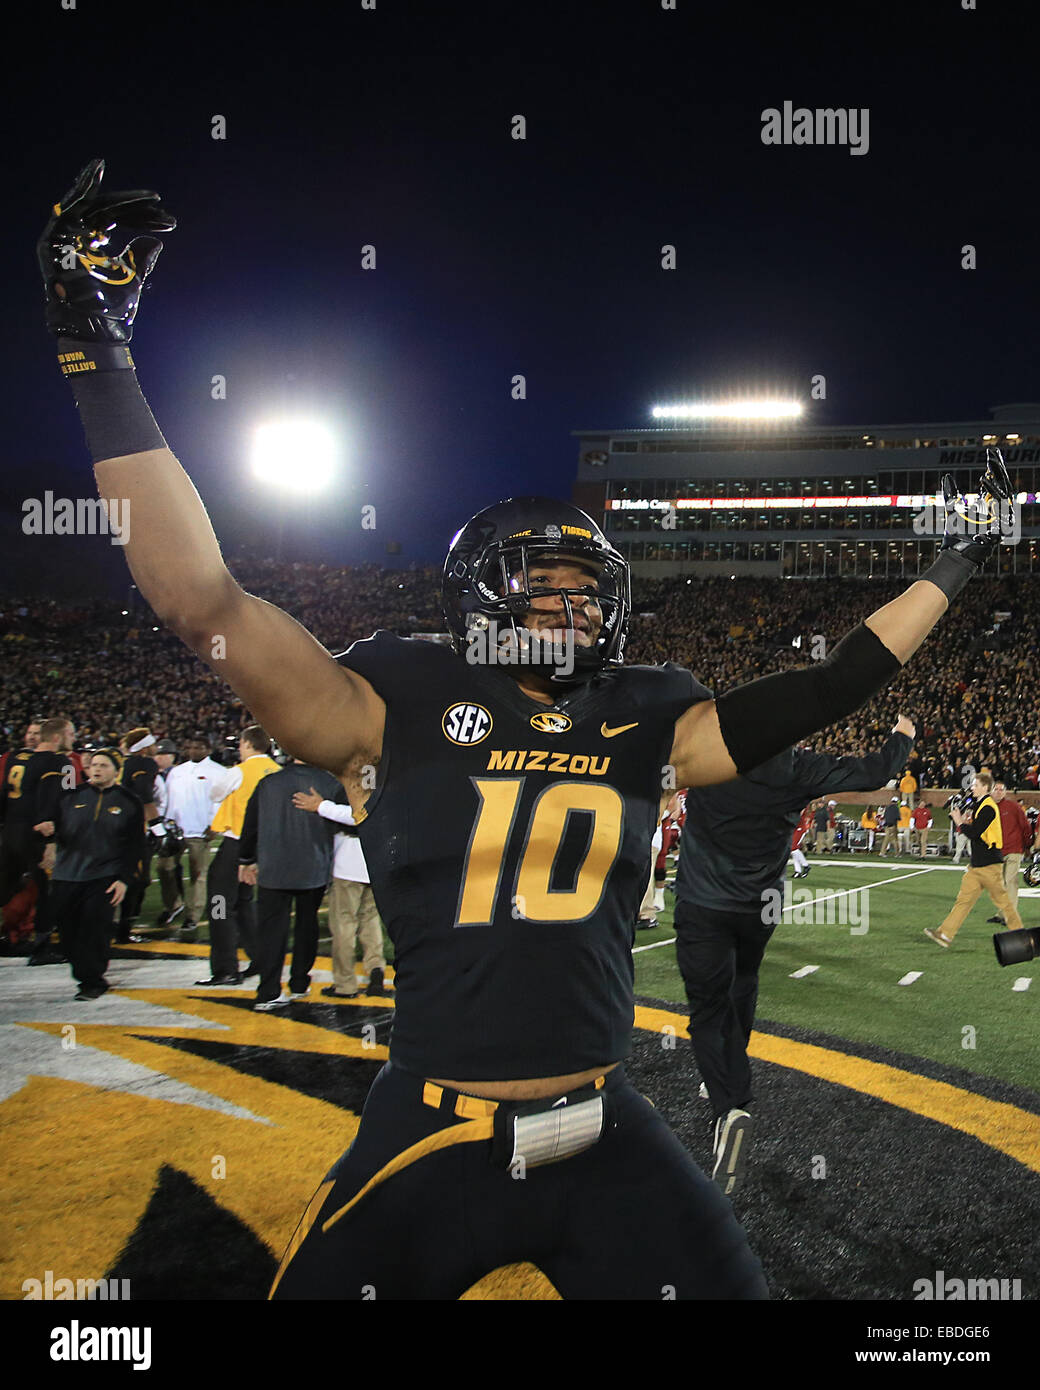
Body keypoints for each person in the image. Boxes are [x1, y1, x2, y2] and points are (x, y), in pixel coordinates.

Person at [38, 158, 1013, 1298]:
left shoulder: (648, 711)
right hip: (436, 1129)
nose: (576, 606)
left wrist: (958, 555)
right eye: (545, 584)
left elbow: (830, 682)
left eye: (588, 588)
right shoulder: (388, 694)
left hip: (601, 1125)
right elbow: (199, 598)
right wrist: (91, 348)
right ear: (479, 597)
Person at [674, 718, 914, 1195]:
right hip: (759, 906)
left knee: (706, 1009)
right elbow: (873, 772)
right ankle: (732, 1080)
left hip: (704, 902)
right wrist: (902, 736)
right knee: (744, 982)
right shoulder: (795, 767)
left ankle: (728, 1105)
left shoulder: (705, 758)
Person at [237, 759, 343, 1008]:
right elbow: (346, 821)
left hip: (274, 868)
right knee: (307, 925)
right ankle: (299, 982)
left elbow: (250, 824)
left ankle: (269, 989)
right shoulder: (329, 782)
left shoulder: (268, 783)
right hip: (313, 866)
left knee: (272, 931)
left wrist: (246, 859)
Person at [48, 748, 145, 999]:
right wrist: (46, 836)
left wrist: (124, 879)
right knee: (68, 934)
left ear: (116, 770)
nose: (98, 769)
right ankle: (85, 973)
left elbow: (135, 846)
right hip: (66, 875)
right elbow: (52, 827)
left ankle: (93, 981)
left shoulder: (129, 801)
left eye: (104, 765)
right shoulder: (70, 796)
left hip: (103, 877)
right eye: (94, 765)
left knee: (95, 930)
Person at [292, 786, 392, 998]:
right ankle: (376, 970)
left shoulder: (353, 784)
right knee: (370, 919)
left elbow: (359, 815)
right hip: (378, 860)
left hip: (349, 862)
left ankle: (345, 984)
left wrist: (322, 806)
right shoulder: (386, 782)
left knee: (344, 924)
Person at [199, 726, 280, 986]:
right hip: (265, 848)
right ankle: (259, 958)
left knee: (220, 904)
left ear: (246, 744)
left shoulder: (239, 771)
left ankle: (226, 968)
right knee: (244, 903)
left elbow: (214, 793)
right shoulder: (277, 772)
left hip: (236, 846)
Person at [924, 773, 1026, 948]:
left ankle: (1023, 939)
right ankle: (945, 934)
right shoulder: (981, 805)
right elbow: (975, 830)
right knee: (963, 901)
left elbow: (975, 833)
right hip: (977, 865)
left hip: (989, 864)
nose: (972, 788)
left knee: (1004, 903)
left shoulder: (988, 807)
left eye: (975, 785)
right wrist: (962, 821)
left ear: (985, 788)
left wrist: (959, 822)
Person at [161, 735, 224, 941]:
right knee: (164, 867)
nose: (193, 750)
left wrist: (215, 824)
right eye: (190, 746)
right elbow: (169, 798)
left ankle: (193, 915)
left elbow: (222, 800)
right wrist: (167, 823)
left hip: (200, 831)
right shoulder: (177, 772)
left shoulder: (218, 771)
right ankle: (174, 905)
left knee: (198, 874)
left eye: (198, 747)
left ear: (208, 748)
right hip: (175, 830)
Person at [986, 782, 1034, 928]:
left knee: (1010, 881)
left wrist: (1027, 845)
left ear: (1005, 792)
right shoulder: (987, 808)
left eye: (1002, 789)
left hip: (1014, 849)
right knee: (999, 884)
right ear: (991, 791)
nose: (999, 792)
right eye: (996, 789)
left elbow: (1025, 826)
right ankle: (1001, 913)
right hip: (996, 851)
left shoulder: (1013, 807)